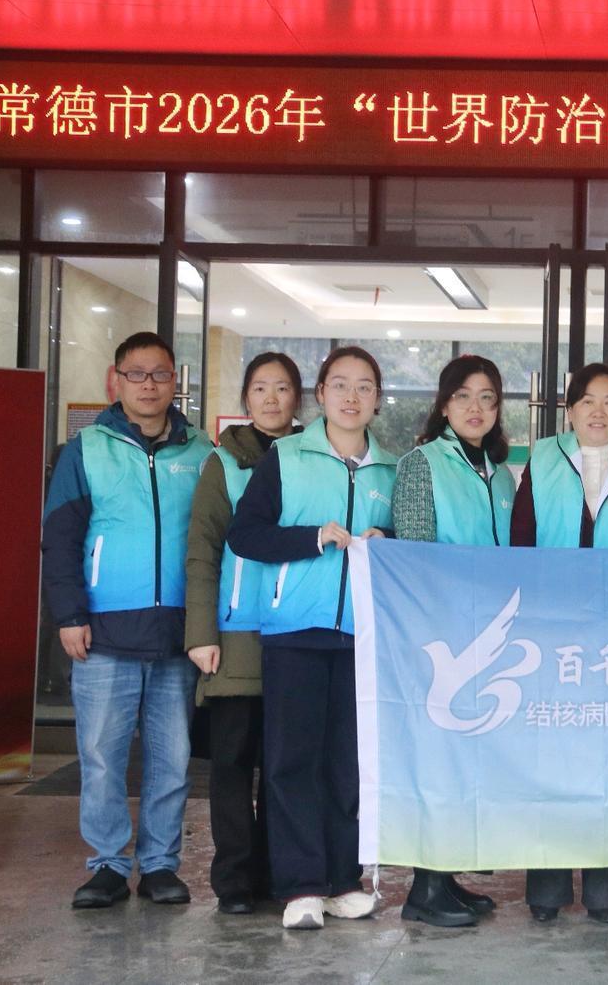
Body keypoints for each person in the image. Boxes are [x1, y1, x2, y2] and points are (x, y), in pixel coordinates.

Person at [225, 346, 397, 930]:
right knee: (291, 762)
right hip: (295, 630)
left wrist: (386, 538)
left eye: (365, 386)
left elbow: (408, 545)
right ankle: (300, 886)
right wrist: (310, 538)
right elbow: (246, 535)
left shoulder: (390, 470)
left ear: (377, 399)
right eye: (340, 385)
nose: (352, 397)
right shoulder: (286, 456)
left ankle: (343, 880)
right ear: (320, 395)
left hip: (361, 635)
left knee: (348, 764)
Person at [42, 331, 213, 910]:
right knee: (100, 757)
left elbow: (213, 541)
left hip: (177, 633)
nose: (148, 384)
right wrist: (69, 613)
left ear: (174, 382)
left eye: (159, 374)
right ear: (115, 380)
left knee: (172, 758)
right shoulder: (86, 449)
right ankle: (109, 865)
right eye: (136, 374)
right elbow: (60, 539)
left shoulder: (201, 451)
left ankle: (161, 864)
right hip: (103, 630)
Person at [510, 363, 608, 925]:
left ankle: (605, 893)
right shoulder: (542, 460)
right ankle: (547, 890)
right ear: (570, 410)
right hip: (553, 636)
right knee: (550, 761)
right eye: (587, 401)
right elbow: (521, 544)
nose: (598, 411)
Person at [391, 354, 515, 928]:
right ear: (444, 405)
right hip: (441, 636)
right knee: (436, 759)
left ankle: (446, 877)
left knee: (467, 760)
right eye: (463, 396)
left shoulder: (501, 473)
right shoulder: (422, 464)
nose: (475, 408)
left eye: (487, 397)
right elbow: (415, 557)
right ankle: (423, 889)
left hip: (488, 636)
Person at [183, 351, 302, 914]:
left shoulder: (312, 458)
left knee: (284, 764)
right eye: (260, 388)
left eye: (282, 388)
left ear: (298, 398)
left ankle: (278, 872)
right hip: (233, 634)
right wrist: (200, 632)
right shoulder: (222, 463)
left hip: (295, 631)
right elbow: (202, 550)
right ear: (245, 399)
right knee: (231, 763)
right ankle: (233, 880)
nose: (271, 398)